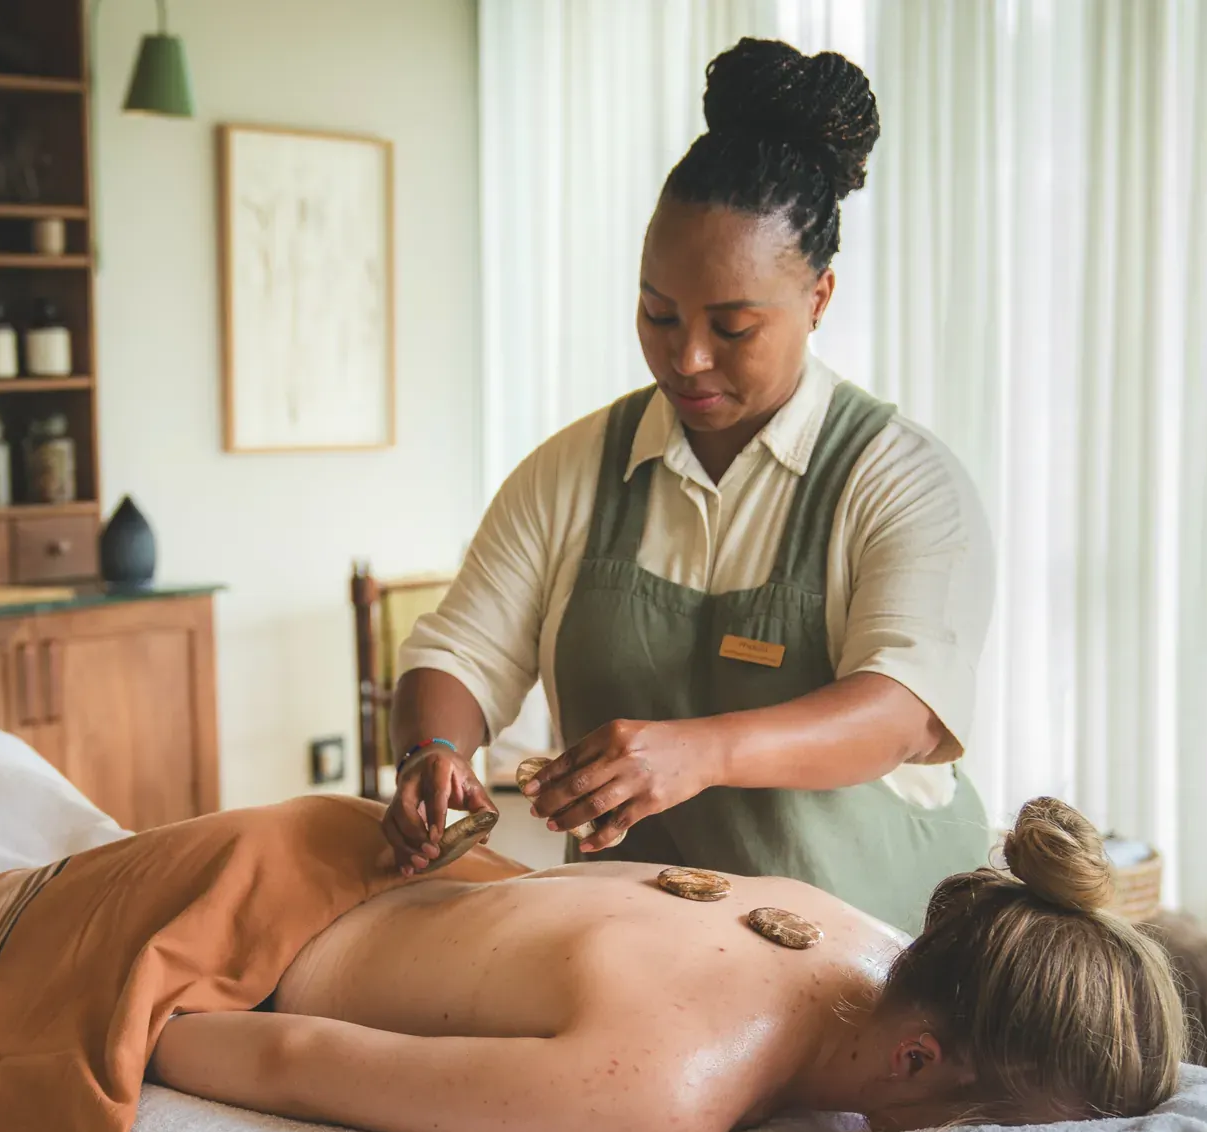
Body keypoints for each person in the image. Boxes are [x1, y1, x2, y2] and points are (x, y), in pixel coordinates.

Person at [383, 37, 995, 931]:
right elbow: (458, 654)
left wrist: (701, 752)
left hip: (875, 947)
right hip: (643, 948)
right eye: (657, 314)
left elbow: (901, 712)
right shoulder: (573, 471)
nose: (687, 357)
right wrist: (432, 752)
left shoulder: (902, 480)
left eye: (734, 326)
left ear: (819, 298)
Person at [148, 799, 1186, 1132]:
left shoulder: (861, 932)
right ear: (918, 1058)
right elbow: (295, 1057)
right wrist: (142, 1029)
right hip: (242, 924)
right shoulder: (669, 1089)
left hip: (337, 834)